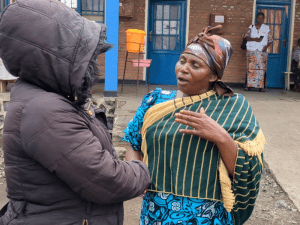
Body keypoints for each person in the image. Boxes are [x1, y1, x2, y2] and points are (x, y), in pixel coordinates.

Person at [0, 0, 151, 224]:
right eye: (85, 55)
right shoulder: (44, 110)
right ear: (56, 55)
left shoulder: (52, 96)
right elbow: (106, 181)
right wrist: (145, 170)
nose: (92, 64)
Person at [123, 26, 266, 225]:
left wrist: (221, 137)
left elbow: (247, 169)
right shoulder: (154, 102)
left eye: (195, 65)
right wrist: (136, 175)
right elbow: (133, 143)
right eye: (182, 61)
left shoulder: (233, 107)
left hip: (207, 216)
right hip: (156, 212)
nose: (184, 68)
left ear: (214, 76)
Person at [244, 12, 273, 92]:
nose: (260, 20)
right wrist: (255, 39)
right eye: (258, 18)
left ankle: (261, 87)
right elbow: (246, 37)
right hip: (251, 51)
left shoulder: (267, 28)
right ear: (256, 18)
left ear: (263, 19)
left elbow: (270, 40)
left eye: (261, 18)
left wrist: (266, 47)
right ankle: (249, 86)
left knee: (261, 69)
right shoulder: (251, 27)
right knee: (250, 68)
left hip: (262, 51)